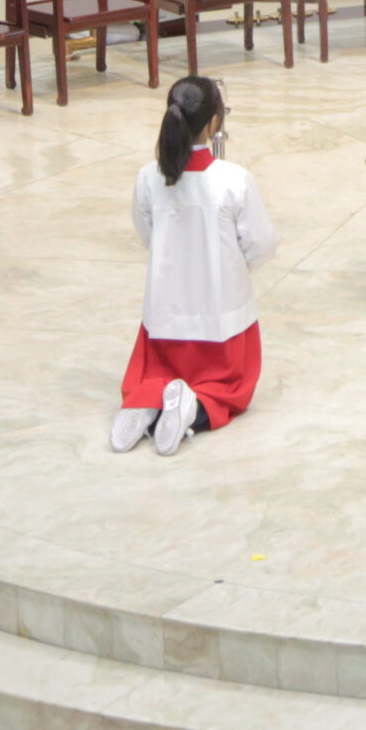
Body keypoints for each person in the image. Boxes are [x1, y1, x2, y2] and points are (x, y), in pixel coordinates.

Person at [113, 76, 280, 456]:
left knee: (154, 371)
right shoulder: (233, 179)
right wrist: (235, 268)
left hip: (165, 313)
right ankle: (192, 408)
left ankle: (145, 401)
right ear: (214, 122)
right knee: (231, 389)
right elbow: (262, 243)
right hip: (222, 319)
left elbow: (147, 232)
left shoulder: (149, 177)